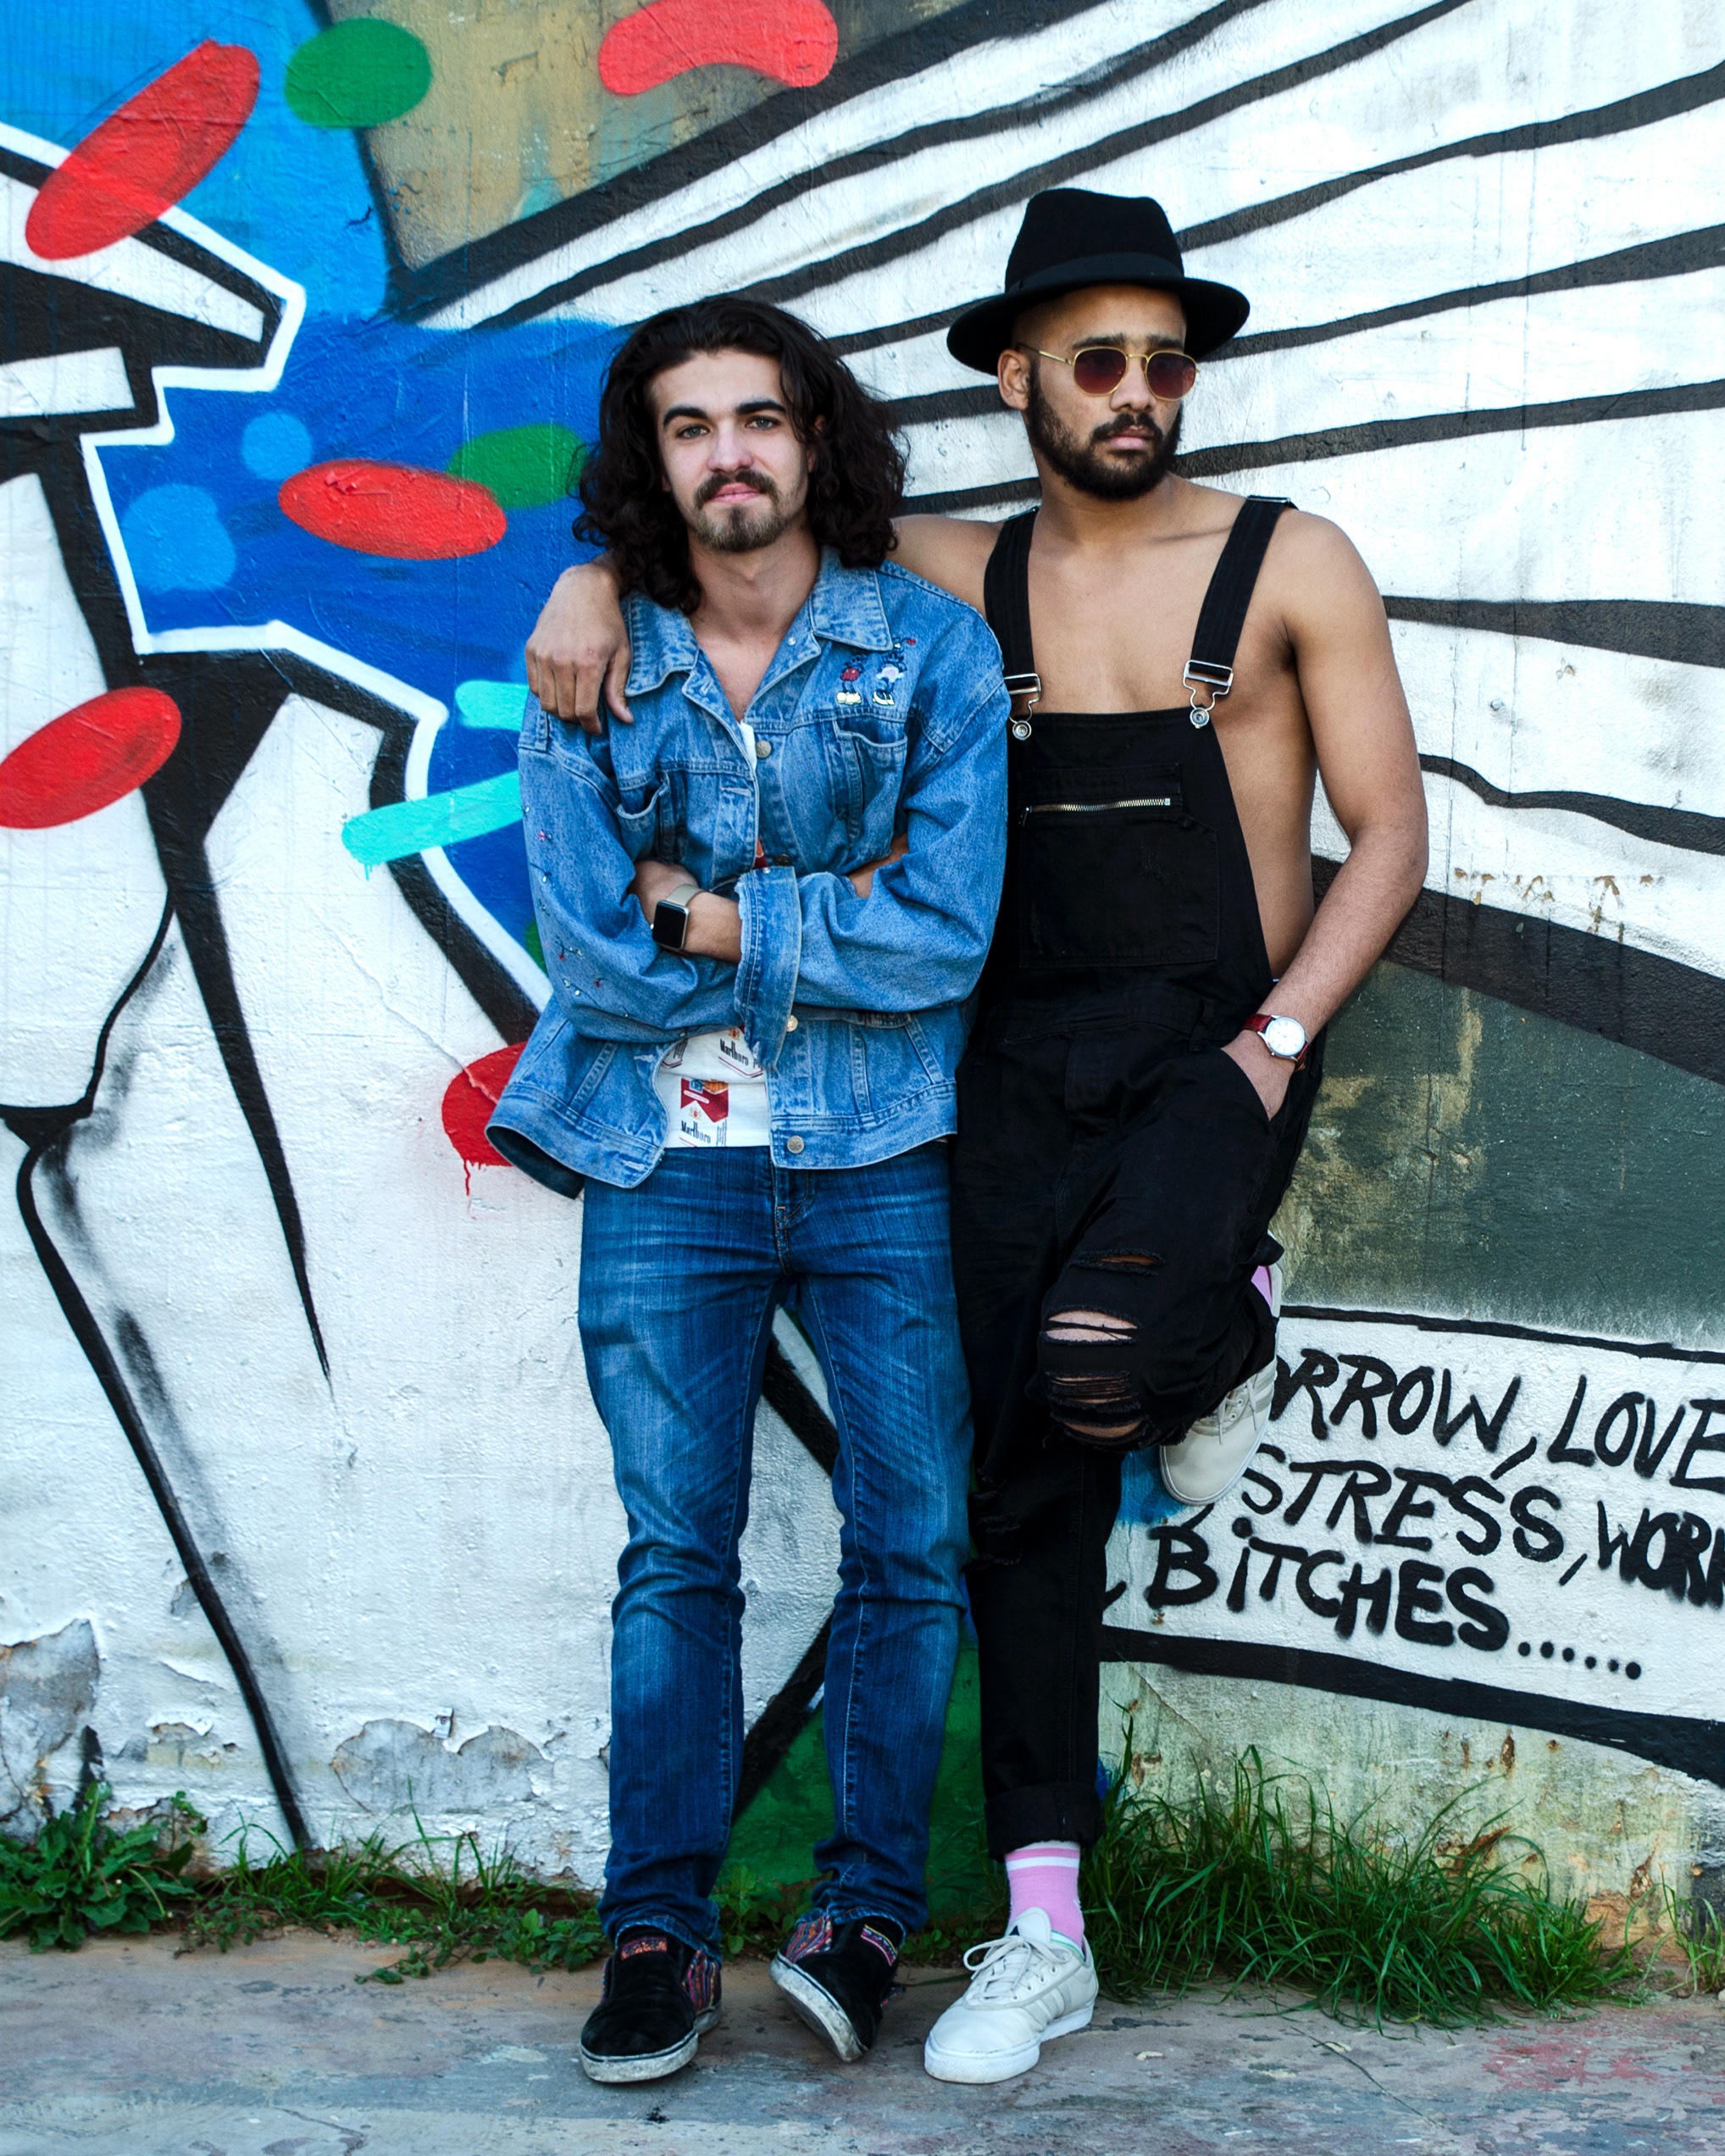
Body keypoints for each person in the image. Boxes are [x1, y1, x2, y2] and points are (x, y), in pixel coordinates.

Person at [523, 192, 1430, 2086]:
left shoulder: (1269, 564)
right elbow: (731, 557)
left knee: (1053, 1410)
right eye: (1096, 360)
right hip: (948, 1091)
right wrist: (591, 574)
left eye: (1165, 361)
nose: (1136, 391)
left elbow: (1380, 838)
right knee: (958, 1505)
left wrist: (1276, 1041)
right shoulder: (940, 574)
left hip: (1152, 1073)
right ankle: (984, 1929)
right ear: (1017, 379)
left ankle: (1210, 1325)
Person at [485, 296, 1010, 2082]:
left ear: (816, 439)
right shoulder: (591, 662)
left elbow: (944, 936)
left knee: (912, 1543)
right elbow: (594, 962)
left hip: (880, 1154)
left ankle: (864, 1912)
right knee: (675, 1556)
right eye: (690, 424)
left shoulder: (926, 654)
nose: (731, 454)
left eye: (761, 418)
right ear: (652, 460)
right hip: (666, 1162)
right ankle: (657, 1933)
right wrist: (822, 920)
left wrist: (710, 913)